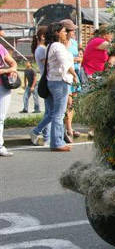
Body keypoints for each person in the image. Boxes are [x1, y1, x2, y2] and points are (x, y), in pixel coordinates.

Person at [32, 23, 78, 152]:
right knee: (59, 113)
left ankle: (56, 141)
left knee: (54, 113)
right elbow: (64, 63)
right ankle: (57, 143)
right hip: (60, 81)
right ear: (57, 33)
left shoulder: (51, 46)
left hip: (52, 81)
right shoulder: (57, 46)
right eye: (63, 31)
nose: (65, 33)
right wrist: (72, 75)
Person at [60, 19, 81, 140]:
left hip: (76, 73)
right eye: (72, 30)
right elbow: (63, 60)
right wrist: (73, 60)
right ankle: (67, 129)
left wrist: (78, 59)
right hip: (67, 75)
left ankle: (69, 127)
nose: (74, 32)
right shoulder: (60, 44)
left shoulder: (73, 42)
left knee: (72, 104)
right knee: (67, 103)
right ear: (66, 31)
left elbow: (78, 56)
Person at [0, 25, 18, 157]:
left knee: (0, 117)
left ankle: (0, 146)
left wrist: (10, 70)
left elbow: (13, 63)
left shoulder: (1, 48)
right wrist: (8, 70)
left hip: (3, 86)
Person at [30, 26, 49, 146]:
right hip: (46, 80)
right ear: (43, 36)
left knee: (50, 112)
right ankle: (41, 134)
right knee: (51, 112)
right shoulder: (41, 49)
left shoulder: (40, 48)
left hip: (45, 80)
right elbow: (48, 65)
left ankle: (47, 137)